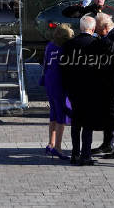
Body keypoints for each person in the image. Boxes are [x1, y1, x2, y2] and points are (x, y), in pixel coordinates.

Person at [62, 15, 104, 166]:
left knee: (76, 122)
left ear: (80, 28)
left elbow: (63, 68)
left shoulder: (69, 44)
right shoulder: (98, 44)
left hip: (74, 90)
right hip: (92, 91)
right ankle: (85, 155)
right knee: (88, 124)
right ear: (92, 29)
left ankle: (75, 154)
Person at [93, 13, 114, 159]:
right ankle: (108, 143)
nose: (96, 31)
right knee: (107, 111)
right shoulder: (105, 36)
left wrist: (102, 40)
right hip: (106, 79)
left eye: (98, 29)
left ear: (106, 27)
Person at [41, 24, 74, 160]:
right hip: (60, 83)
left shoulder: (50, 46)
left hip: (49, 81)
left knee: (53, 113)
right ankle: (58, 147)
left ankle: (51, 143)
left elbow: (45, 63)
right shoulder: (66, 48)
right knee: (62, 116)